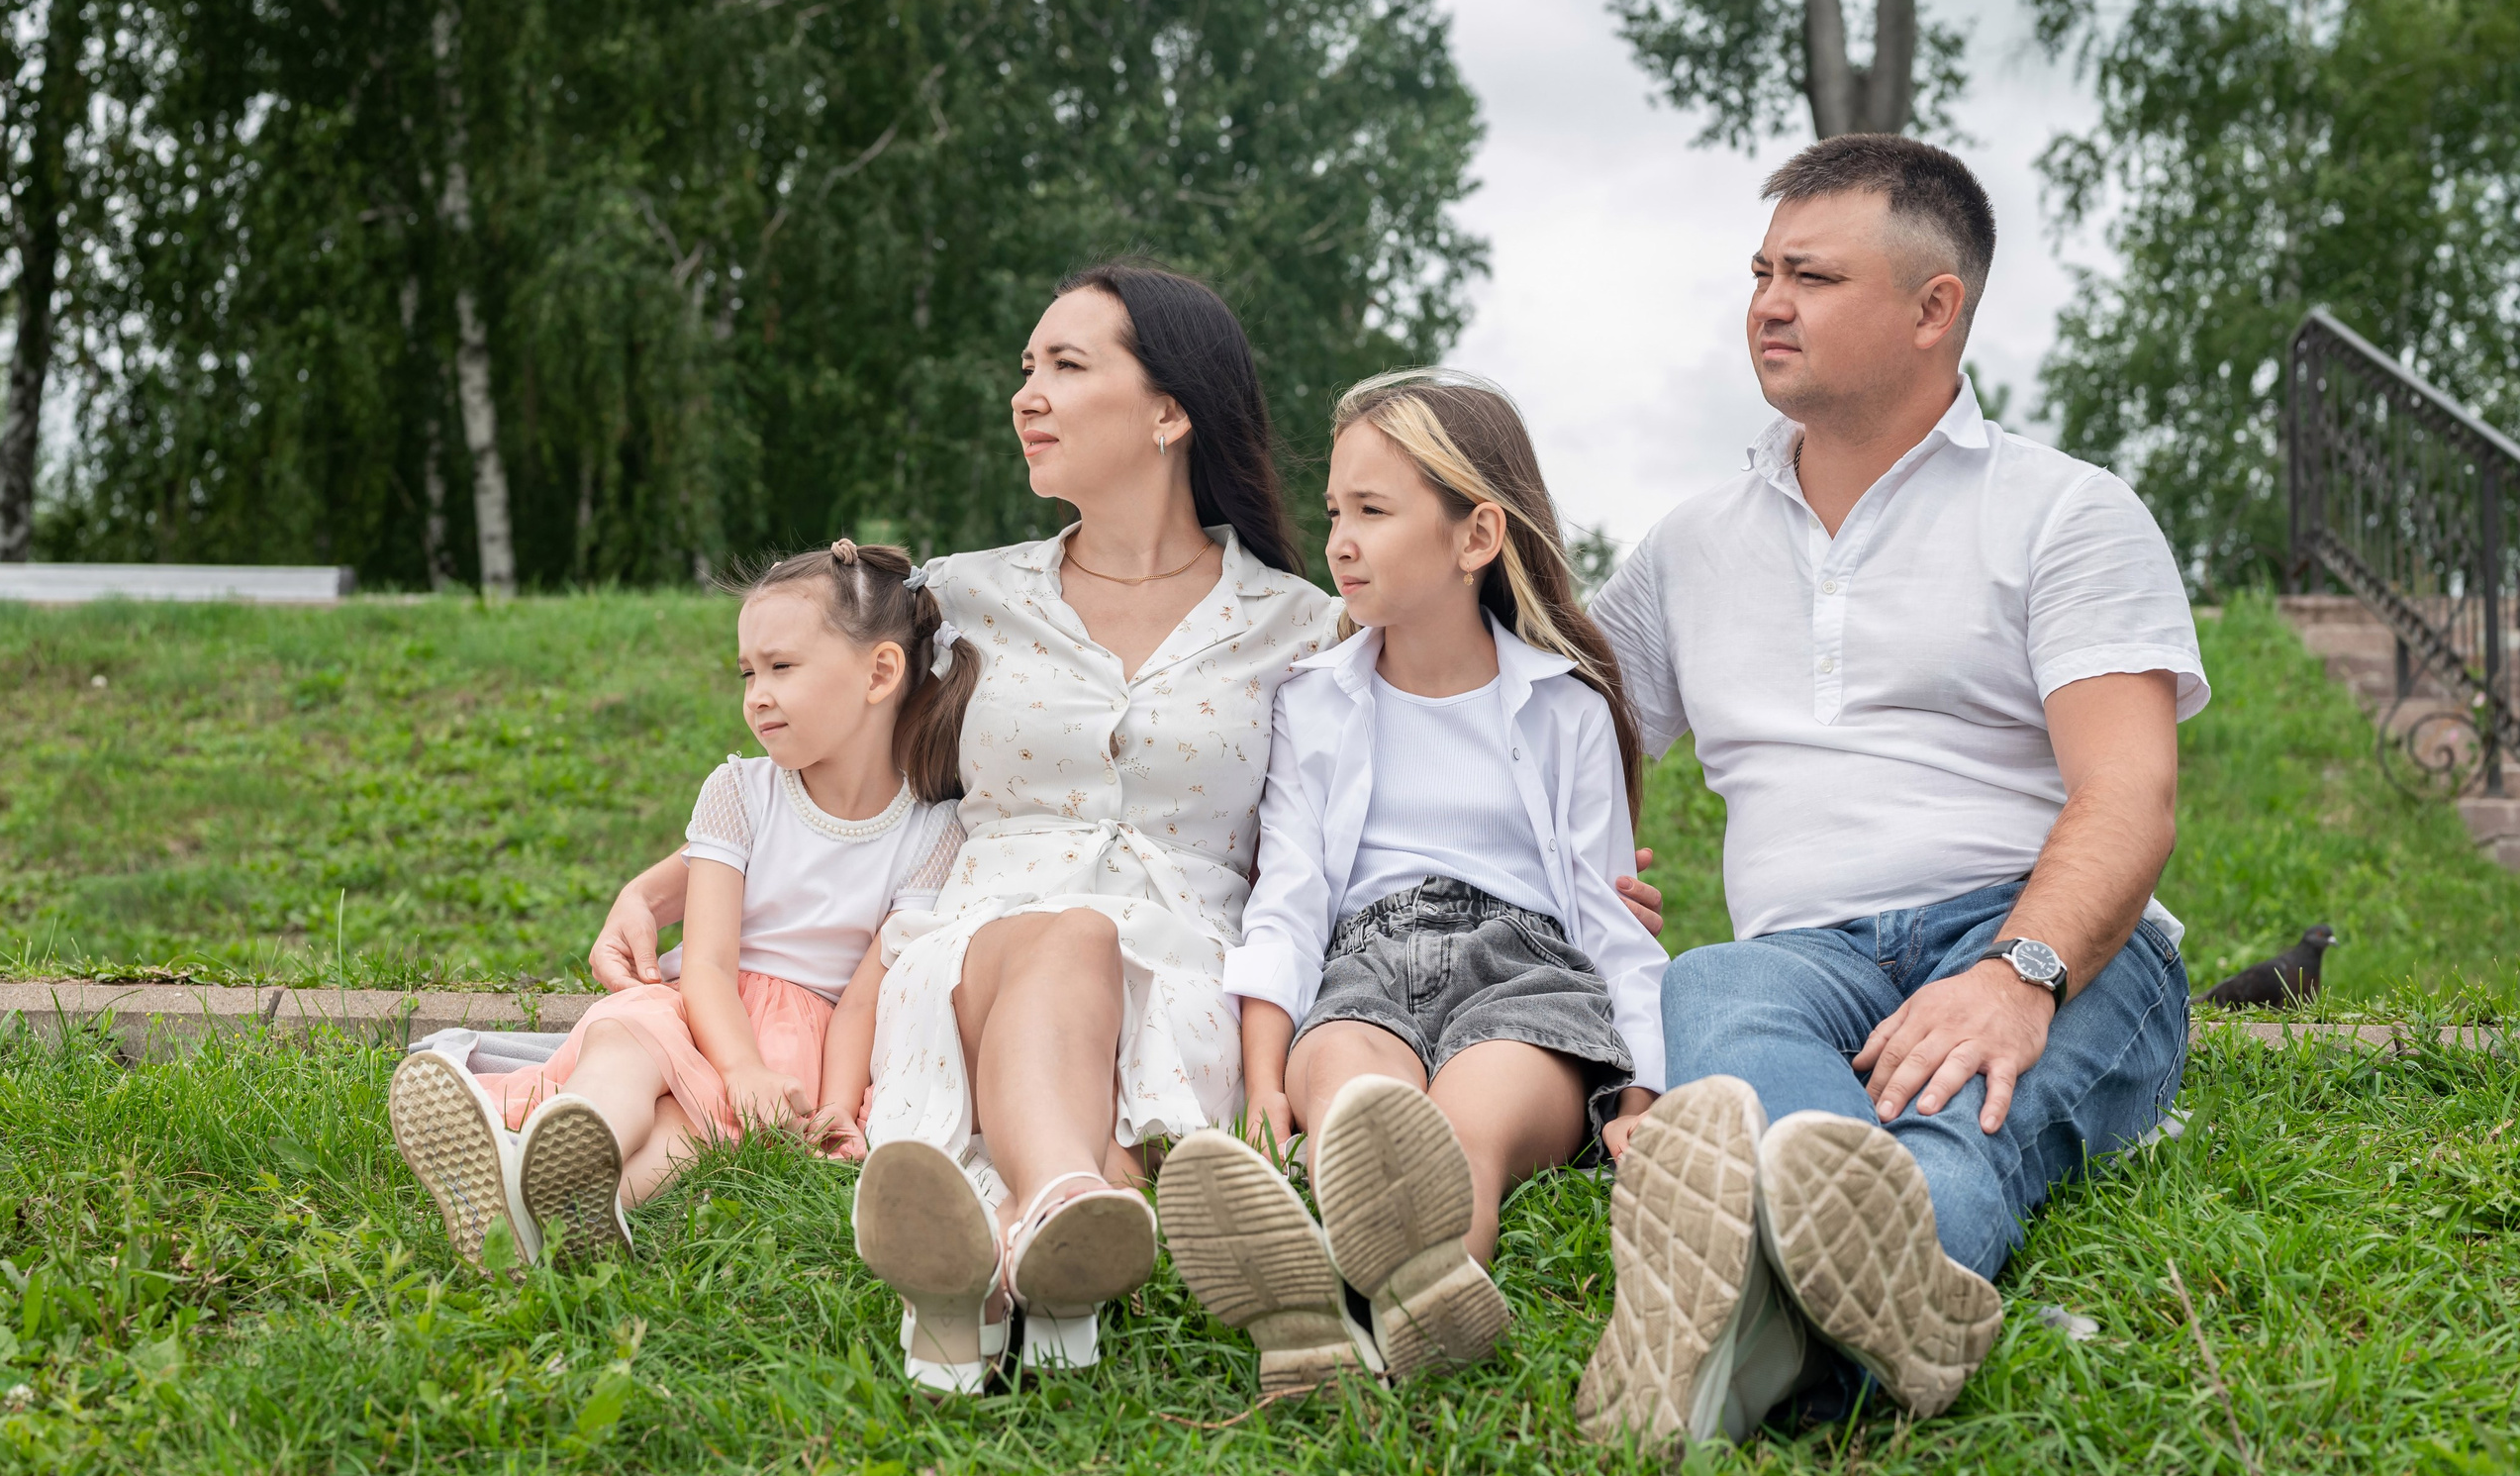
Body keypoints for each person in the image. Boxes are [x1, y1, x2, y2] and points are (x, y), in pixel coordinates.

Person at [587, 264, 1336, 1393]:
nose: (1027, 393)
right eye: (1025, 367)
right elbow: (824, 757)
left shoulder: (1302, 625)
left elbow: (1374, 803)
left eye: (1067, 366)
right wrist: (660, 889)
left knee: (1107, 1030)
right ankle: (1056, 1212)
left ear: (1171, 410)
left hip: (1194, 960)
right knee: (1067, 935)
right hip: (966, 936)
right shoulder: (963, 598)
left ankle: (992, 1283)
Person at [1578, 135, 2203, 1450]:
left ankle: (1755, 1296)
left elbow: (2129, 793)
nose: (1767, 302)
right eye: (1760, 272)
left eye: (1810, 274)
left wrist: (2018, 974)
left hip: (2040, 937)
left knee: (1950, 1126)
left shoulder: (2067, 514)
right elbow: (1556, 727)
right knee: (1711, 986)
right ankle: (1819, 1307)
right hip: (1797, 959)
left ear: (1935, 309)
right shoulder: (1694, 543)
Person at [1154, 369, 1668, 1390]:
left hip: (1525, 975)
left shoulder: (1564, 707)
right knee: (1356, 1105)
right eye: (1336, 509)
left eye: (1374, 512)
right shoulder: (1314, 700)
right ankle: (1352, 1293)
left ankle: (1360, 1309)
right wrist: (1264, 1084)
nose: (1339, 538)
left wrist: (1642, 1089)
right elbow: (1290, 901)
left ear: (1475, 535)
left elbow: (1612, 926)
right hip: (1364, 966)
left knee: (1460, 1135)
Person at [386, 541, 974, 1269]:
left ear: (880, 671)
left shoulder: (932, 831)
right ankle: (555, 1146)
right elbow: (708, 961)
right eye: (748, 673)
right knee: (627, 1046)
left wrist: (833, 1097)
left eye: (781, 668)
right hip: (699, 1001)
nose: (756, 694)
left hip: (795, 1041)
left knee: (689, 1132)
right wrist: (737, 1065)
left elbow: (863, 1000)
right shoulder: (739, 792)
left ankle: (558, 1224)